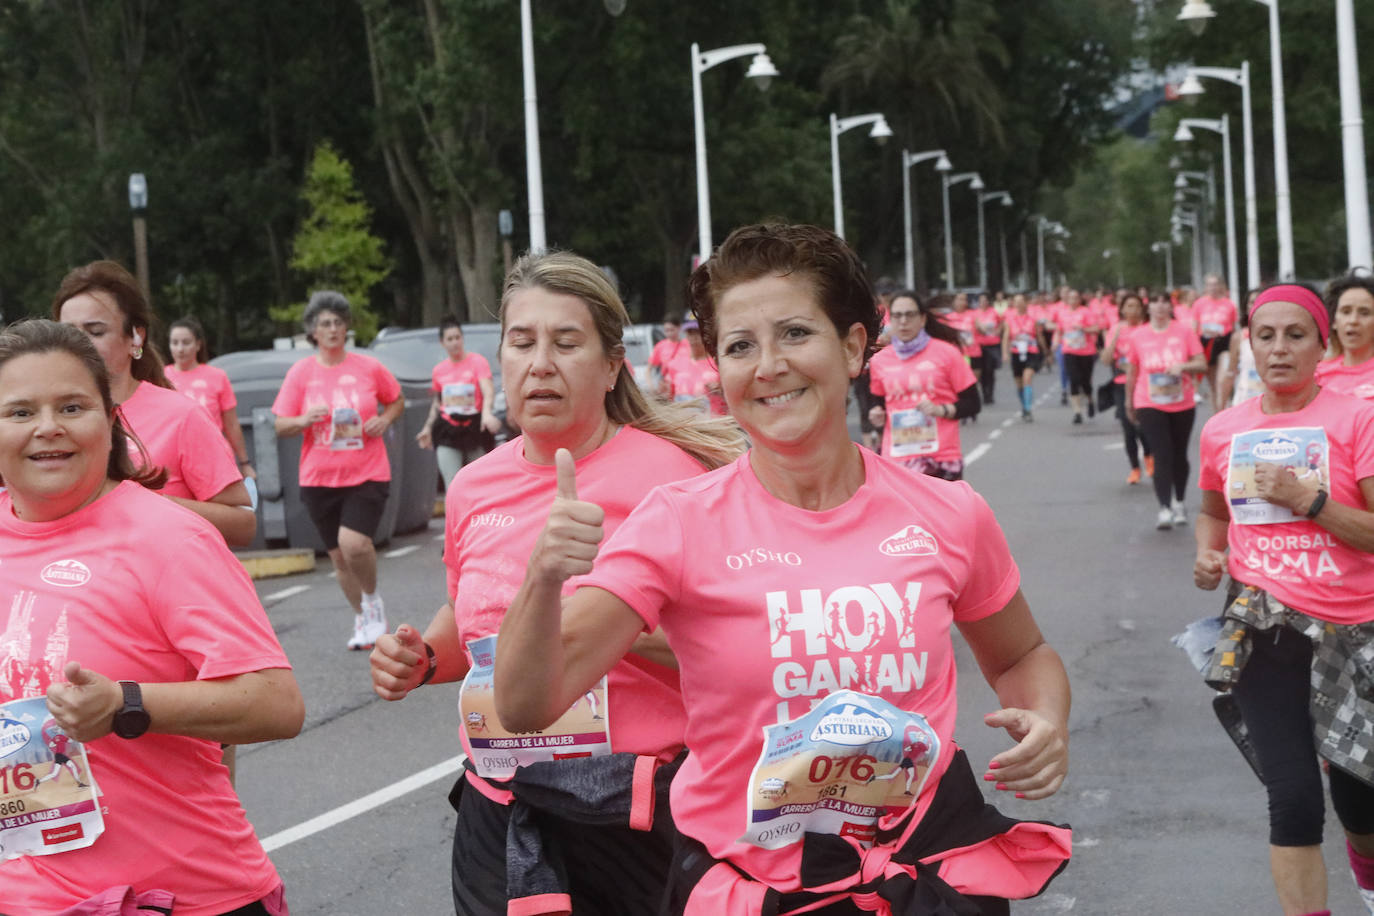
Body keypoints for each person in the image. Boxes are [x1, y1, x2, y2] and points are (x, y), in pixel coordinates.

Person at [495, 223, 1072, 913]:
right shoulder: (678, 522)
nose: (768, 365)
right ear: (720, 370)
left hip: (920, 882)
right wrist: (545, 575)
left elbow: (1023, 654)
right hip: (750, 892)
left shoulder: (949, 513)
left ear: (853, 346)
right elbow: (529, 701)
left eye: (795, 333)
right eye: (740, 346)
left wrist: (1046, 719)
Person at [368, 251, 744, 916]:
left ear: (610, 366)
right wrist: (424, 656)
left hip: (629, 806)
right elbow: (475, 614)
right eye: (523, 342)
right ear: (501, 365)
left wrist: (592, 624)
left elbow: (735, 650)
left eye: (566, 343)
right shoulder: (476, 486)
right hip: (502, 801)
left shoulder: (675, 479)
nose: (541, 362)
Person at [0, 319, 303, 915]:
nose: (48, 428)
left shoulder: (168, 537)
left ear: (110, 421)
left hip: (182, 896)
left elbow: (278, 702)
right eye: (19, 412)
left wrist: (127, 704)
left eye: (72, 406)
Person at [1191, 284, 1374, 916]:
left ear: (1322, 345)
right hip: (1261, 630)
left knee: (1362, 802)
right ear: (1249, 342)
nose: (1279, 348)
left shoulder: (1358, 418)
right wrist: (1210, 555)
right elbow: (1213, 513)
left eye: (1296, 335)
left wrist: (1309, 501)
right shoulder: (1223, 430)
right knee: (1293, 798)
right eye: (1265, 335)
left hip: (1354, 634)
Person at [53, 261, 255, 547]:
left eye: (95, 332)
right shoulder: (42, 422)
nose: (78, 345)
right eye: (67, 333)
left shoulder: (179, 415)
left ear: (136, 337)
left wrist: (141, 503)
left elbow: (243, 524)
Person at [272, 291, 404, 651]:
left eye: (338, 322)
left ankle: (374, 601)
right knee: (339, 557)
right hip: (318, 477)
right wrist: (303, 419)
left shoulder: (368, 367)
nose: (332, 329)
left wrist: (383, 419)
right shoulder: (301, 373)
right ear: (313, 331)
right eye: (324, 324)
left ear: (347, 328)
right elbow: (280, 424)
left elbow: (396, 399)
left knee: (354, 543)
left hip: (367, 470)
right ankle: (362, 617)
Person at [867, 290, 980, 480]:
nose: (903, 321)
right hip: (898, 458)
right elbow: (879, 404)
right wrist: (876, 414)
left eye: (910, 315)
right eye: (897, 315)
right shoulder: (880, 360)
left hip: (941, 458)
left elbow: (973, 404)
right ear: (890, 320)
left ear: (923, 319)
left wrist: (940, 410)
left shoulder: (947, 353)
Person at [1125, 293, 1206, 530]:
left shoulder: (1184, 331)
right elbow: (1132, 371)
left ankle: (1179, 502)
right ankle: (1164, 508)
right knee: (1162, 454)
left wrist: (1183, 366)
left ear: (1170, 308)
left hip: (1181, 401)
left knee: (1179, 454)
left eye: (1164, 303)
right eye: (1155, 302)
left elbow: (1201, 362)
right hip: (1148, 401)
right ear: (1147, 307)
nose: (1160, 307)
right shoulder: (1138, 335)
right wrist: (1129, 403)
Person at [165, 316, 255, 479]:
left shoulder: (217, 376)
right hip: (176, 460)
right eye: (174, 342)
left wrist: (245, 463)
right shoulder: (160, 378)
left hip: (214, 457)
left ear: (198, 344)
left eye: (186, 342)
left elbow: (232, 424)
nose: (180, 349)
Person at [416, 317, 502, 486]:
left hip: (474, 426)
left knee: (481, 481)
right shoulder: (439, 370)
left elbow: (488, 390)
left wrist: (486, 414)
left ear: (462, 338)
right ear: (442, 343)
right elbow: (437, 403)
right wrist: (427, 427)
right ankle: (456, 511)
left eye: (457, 337)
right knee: (453, 484)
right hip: (448, 429)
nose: (455, 342)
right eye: (450, 339)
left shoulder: (477, 362)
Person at [1101, 292, 1152, 485]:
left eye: (1136, 306)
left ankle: (1149, 455)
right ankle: (1134, 468)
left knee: (1143, 426)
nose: (1132, 310)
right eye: (1128, 306)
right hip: (1121, 384)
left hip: (1144, 384)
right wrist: (1114, 336)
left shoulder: (1147, 329)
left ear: (1142, 309)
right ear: (1122, 309)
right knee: (1127, 427)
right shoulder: (1116, 329)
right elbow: (1106, 359)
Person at [1315, 273, 1374, 401]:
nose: (1353, 321)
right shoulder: (1316, 374)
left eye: (1364, 313)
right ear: (1334, 321)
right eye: (1346, 312)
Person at [1054, 289, 1101, 424]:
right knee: (1074, 380)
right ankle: (1077, 412)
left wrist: (1084, 329)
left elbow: (1096, 328)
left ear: (1080, 299)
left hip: (1086, 351)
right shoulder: (1062, 313)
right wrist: (1056, 342)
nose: (1073, 300)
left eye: (1076, 298)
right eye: (1071, 298)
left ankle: (1090, 400)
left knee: (1085, 381)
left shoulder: (1086, 312)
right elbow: (1059, 330)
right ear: (1066, 300)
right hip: (1069, 351)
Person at [1193, 275, 1239, 409]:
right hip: (1206, 343)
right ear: (1206, 287)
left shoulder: (1229, 304)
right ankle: (1218, 415)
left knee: (1221, 381)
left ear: (1220, 286)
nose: (1212, 287)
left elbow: (1234, 326)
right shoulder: (1199, 303)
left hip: (1223, 343)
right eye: (1209, 284)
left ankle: (1224, 408)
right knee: (1213, 385)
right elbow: (1194, 327)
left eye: (1215, 284)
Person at [667, 314, 727, 415]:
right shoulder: (675, 363)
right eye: (690, 333)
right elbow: (670, 397)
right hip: (685, 425)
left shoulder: (719, 363)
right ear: (685, 334)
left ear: (707, 334)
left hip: (715, 424)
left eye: (698, 332)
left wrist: (721, 390)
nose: (694, 337)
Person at [1002, 292, 1048, 421]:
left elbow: (1039, 336)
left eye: (1021, 301)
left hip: (1031, 352)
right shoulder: (1009, 320)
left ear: (1025, 303)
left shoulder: (1032, 319)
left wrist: (1045, 351)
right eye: (1016, 301)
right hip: (1016, 353)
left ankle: (1028, 409)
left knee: (1027, 378)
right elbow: (1006, 337)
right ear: (1014, 304)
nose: (1019, 304)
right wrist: (1005, 353)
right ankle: (1024, 405)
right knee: (1019, 384)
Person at [1220, 288, 1266, 408]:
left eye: (1260, 300)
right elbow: (1230, 373)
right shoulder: (1238, 337)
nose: (1256, 305)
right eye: (1252, 302)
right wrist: (1221, 408)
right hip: (1244, 402)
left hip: (1273, 405)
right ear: (1246, 308)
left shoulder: (1280, 337)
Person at [973, 292, 1003, 404]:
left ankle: (990, 393)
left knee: (990, 370)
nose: (983, 303)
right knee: (981, 371)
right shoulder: (975, 314)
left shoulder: (994, 312)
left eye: (985, 300)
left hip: (992, 344)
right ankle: (984, 393)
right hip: (979, 345)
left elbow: (1001, 323)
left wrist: (998, 330)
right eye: (981, 301)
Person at [648, 312, 687, 396]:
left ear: (679, 327)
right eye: (666, 330)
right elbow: (648, 370)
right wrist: (651, 386)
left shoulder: (688, 345)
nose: (669, 333)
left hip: (684, 389)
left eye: (672, 330)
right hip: (667, 390)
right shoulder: (660, 346)